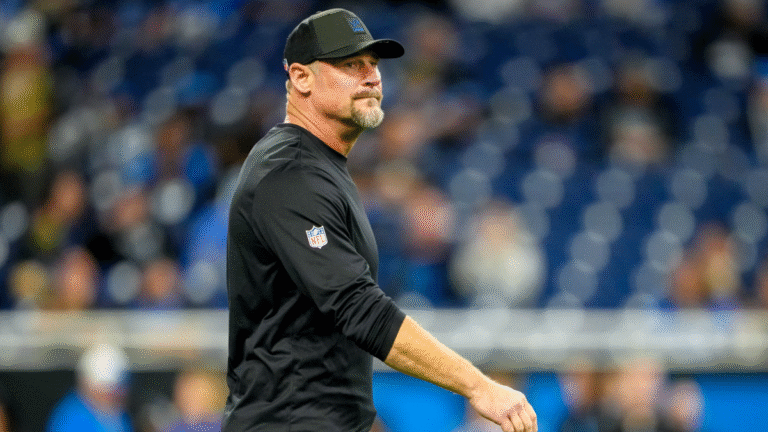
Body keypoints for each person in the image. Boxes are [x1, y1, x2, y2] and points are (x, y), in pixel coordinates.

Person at [223, 8, 537, 432]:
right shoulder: (290, 171)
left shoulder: (320, 167)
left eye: (374, 65)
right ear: (301, 78)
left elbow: (324, 339)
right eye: (351, 64)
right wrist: (477, 386)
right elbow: (356, 307)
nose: (371, 77)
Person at [45, 343, 133, 432]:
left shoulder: (118, 415)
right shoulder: (70, 418)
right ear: (86, 384)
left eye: (116, 387)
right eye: (104, 387)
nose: (111, 394)